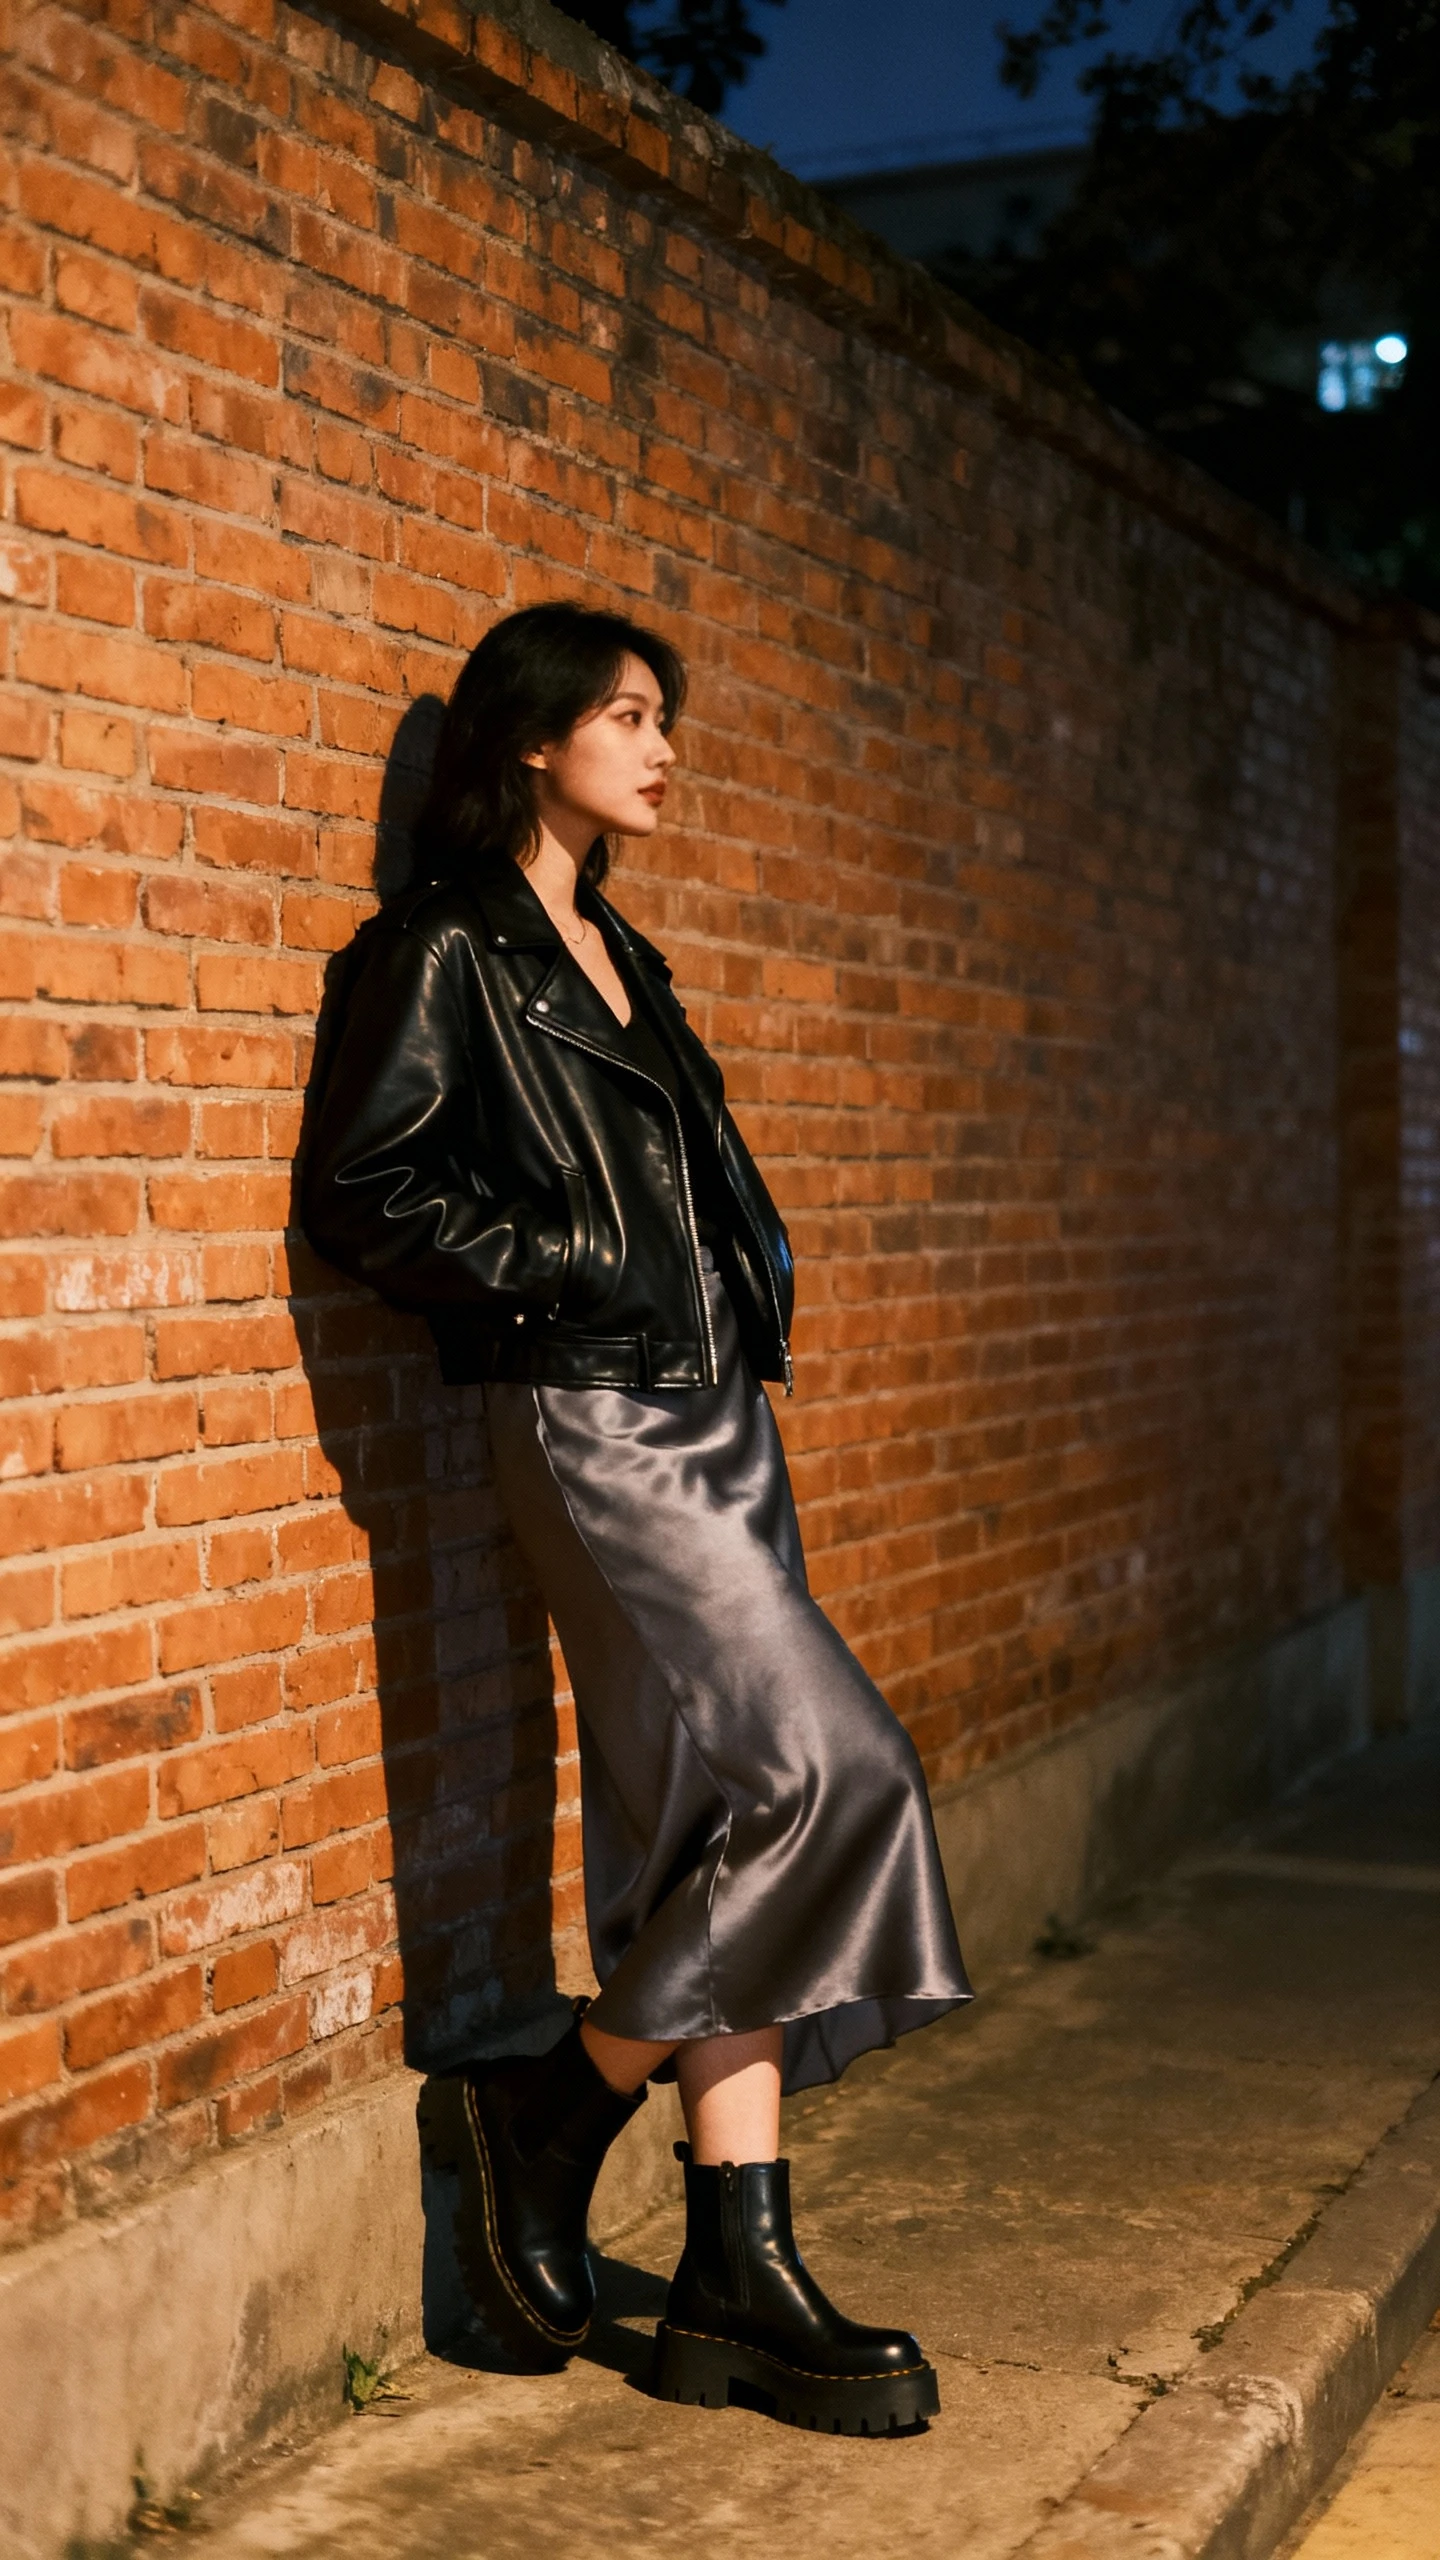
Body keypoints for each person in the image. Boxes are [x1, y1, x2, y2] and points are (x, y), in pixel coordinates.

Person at [301, 602, 972, 2437]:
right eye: (625, 714)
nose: (661, 745)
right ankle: (555, 2105)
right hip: (594, 1413)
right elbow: (365, 1186)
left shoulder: (621, 951)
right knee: (843, 1776)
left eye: (663, 715)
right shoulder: (448, 948)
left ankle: (738, 2263)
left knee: (716, 1820)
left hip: (719, 1412)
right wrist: (572, 1267)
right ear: (532, 739)